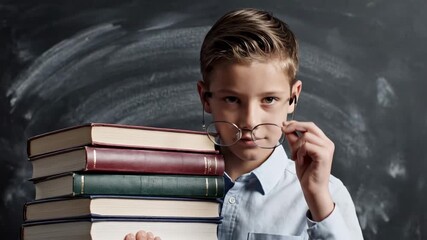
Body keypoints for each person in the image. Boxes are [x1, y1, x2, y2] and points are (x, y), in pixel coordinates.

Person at [125, 8, 364, 240]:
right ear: (205, 98)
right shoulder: (163, 189)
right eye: (232, 99)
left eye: (269, 99)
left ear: (293, 97)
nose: (250, 121)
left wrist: (317, 199)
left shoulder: (328, 194)